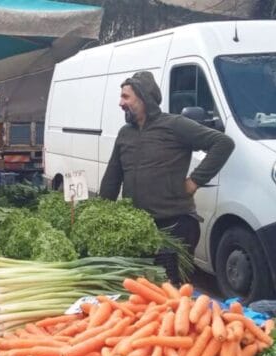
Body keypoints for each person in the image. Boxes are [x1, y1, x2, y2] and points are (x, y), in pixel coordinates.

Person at [99, 71, 235, 282]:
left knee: (173, 291)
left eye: (126, 97)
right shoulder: (125, 133)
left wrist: (195, 181)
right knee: (140, 290)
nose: (120, 103)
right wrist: (100, 214)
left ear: (143, 97)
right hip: (138, 228)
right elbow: (112, 177)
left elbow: (223, 143)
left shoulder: (175, 125)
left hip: (174, 226)